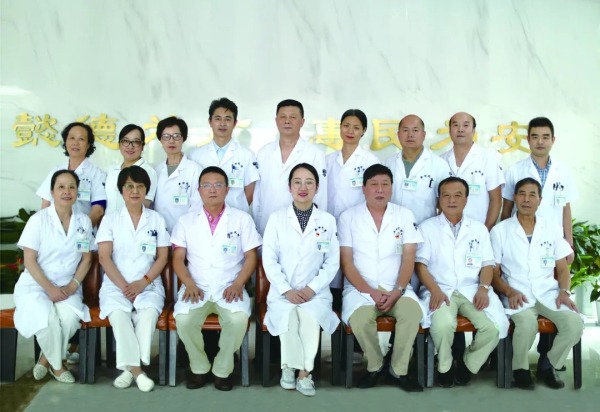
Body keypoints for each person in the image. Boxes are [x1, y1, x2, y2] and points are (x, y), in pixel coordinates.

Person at [171, 166, 261, 391]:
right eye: (207, 185)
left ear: (227, 190)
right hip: (196, 286)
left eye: (218, 185)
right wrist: (189, 283)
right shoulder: (186, 221)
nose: (212, 190)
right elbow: (178, 258)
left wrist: (238, 283)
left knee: (238, 320)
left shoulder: (242, 219)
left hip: (229, 286)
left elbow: (251, 257)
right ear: (199, 190)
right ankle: (199, 366)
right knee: (183, 320)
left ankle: (223, 368)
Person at [339, 164, 426, 392]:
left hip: (396, 287)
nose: (380, 190)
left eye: (385, 184)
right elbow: (347, 262)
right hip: (360, 289)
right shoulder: (348, 217)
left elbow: (409, 258)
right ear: (364, 188)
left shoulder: (404, 215)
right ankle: (375, 366)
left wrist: (398, 290)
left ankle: (398, 370)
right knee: (360, 319)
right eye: (374, 185)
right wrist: (370, 292)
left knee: (412, 313)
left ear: (392, 188)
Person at [415, 177, 509, 388]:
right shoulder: (427, 228)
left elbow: (487, 264)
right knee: (442, 324)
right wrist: (434, 290)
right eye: (446, 196)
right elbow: (420, 265)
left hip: (471, 289)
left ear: (466, 199)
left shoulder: (478, 229)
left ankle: (468, 365)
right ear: (439, 200)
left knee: (492, 327)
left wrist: (484, 288)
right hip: (440, 288)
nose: (452, 200)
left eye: (458, 195)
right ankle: (445, 366)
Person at [491, 177, 583, 390]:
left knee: (574, 324)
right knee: (526, 324)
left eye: (532, 195)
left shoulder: (551, 228)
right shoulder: (500, 231)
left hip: (548, 293)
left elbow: (562, 269)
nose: (526, 199)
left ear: (540, 200)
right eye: (522, 194)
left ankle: (548, 365)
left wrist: (564, 291)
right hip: (517, 293)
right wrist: (508, 291)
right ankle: (520, 369)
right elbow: (493, 273)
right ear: (515, 198)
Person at [263, 163, 340, 397]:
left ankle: (304, 374)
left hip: (315, 293)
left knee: (309, 318)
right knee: (288, 318)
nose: (303, 187)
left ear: (317, 187)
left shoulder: (327, 220)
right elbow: (269, 260)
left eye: (309, 182)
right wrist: (286, 290)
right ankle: (289, 367)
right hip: (282, 292)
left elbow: (332, 262)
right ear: (289, 187)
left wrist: (311, 289)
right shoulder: (276, 219)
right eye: (297, 182)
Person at [14, 170, 93, 383]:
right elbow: (29, 260)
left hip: (68, 285)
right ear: (52, 192)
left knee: (69, 318)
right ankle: (58, 366)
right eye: (61, 187)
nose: (67, 191)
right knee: (46, 317)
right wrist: (50, 289)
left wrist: (73, 285)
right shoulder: (38, 220)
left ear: (77, 192)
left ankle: (44, 360)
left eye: (72, 187)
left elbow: (87, 258)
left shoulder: (83, 221)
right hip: (36, 284)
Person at [96, 166, 170, 392]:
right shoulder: (110, 220)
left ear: (147, 190)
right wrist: (124, 287)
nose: (135, 191)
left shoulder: (156, 219)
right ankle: (137, 371)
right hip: (116, 285)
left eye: (140, 186)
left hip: (148, 284)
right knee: (119, 316)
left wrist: (143, 282)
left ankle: (128, 370)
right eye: (129, 186)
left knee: (148, 315)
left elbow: (163, 256)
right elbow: (104, 257)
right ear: (121, 191)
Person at [500, 117, 575, 263]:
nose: (540, 142)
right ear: (528, 140)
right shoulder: (515, 170)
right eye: (535, 137)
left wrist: (569, 244)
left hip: (553, 240)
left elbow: (565, 209)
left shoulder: (563, 172)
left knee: (554, 276)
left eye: (545, 137)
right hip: (519, 238)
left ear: (553, 140)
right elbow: (506, 209)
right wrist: (505, 238)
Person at [253, 99, 327, 235]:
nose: (287, 121)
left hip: (302, 227)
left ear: (302, 122)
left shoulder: (314, 154)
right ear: (276, 121)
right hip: (266, 223)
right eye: (283, 117)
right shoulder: (264, 152)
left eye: (293, 117)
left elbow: (320, 194)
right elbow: (257, 194)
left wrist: (318, 228)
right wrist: (256, 227)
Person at [188, 98, 259, 213]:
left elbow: (250, 191)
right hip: (203, 216)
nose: (222, 123)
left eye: (227, 119)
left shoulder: (247, 155)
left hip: (236, 216)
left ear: (235, 123)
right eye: (218, 118)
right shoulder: (195, 155)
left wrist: (237, 210)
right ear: (210, 122)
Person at [440, 112, 503, 230]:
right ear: (449, 130)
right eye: (455, 125)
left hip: (478, 229)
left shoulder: (487, 159)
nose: (460, 129)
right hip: (445, 230)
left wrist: (486, 231)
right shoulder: (441, 160)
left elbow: (496, 200)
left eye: (465, 125)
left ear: (473, 130)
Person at [36, 122, 107, 228]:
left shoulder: (97, 174)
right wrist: (46, 228)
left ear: (88, 145)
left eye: (81, 139)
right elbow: (46, 203)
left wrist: (81, 231)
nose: (75, 143)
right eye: (72, 138)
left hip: (83, 232)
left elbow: (98, 210)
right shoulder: (56, 170)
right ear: (65, 142)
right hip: (54, 230)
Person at [385, 114, 451, 224]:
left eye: (415, 130)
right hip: (392, 226)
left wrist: (437, 226)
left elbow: (445, 201)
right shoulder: (387, 164)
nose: (410, 135)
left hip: (425, 227)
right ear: (398, 135)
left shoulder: (439, 165)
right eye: (405, 130)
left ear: (424, 135)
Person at [154, 116, 202, 233]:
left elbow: (197, 206)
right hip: (159, 233)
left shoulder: (195, 170)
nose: (171, 141)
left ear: (183, 138)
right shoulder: (156, 171)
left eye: (176, 136)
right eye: (166, 136)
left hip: (186, 233)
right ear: (160, 140)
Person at [105, 125, 157, 214]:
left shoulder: (148, 171)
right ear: (119, 145)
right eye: (125, 141)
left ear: (142, 146)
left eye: (136, 142)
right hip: (109, 222)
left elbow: (145, 205)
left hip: (133, 222)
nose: (130, 146)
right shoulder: (112, 171)